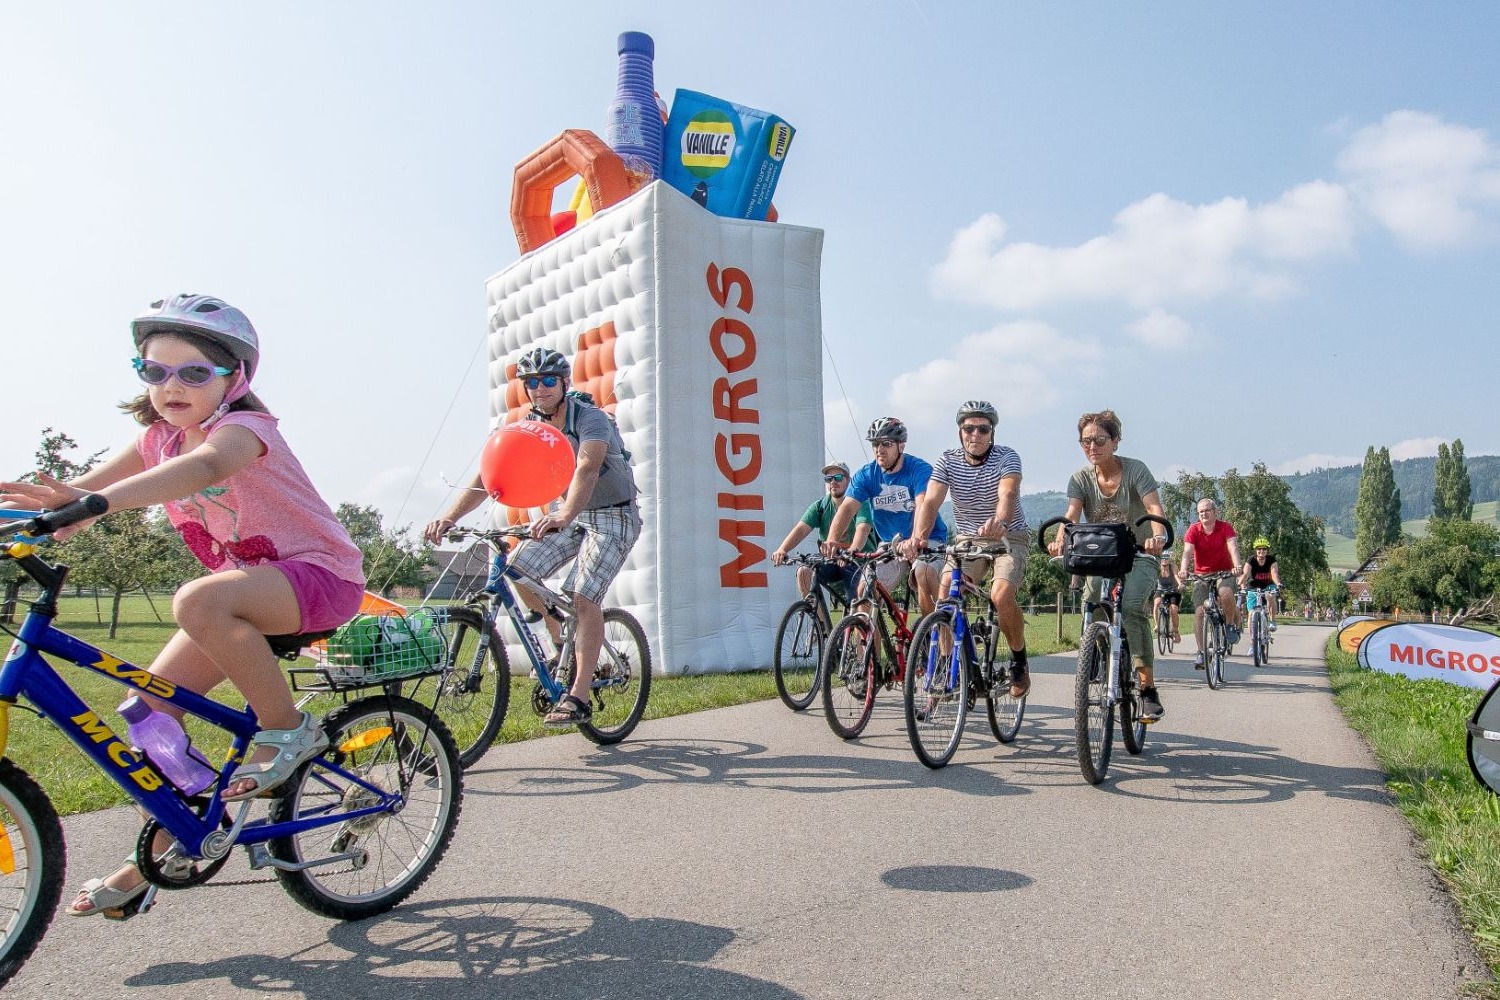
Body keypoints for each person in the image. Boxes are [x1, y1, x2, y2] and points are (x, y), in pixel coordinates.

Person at [0, 293, 366, 918]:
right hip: (243, 594)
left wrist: (96, 506)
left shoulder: (245, 431)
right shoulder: (154, 440)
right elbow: (81, 490)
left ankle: (289, 730)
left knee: (196, 599)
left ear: (235, 378)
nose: (172, 385)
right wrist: (42, 511)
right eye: (155, 371)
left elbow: (205, 468)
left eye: (194, 372)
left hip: (320, 579)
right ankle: (171, 851)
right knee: (146, 707)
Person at [425, 346, 640, 728]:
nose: (539, 389)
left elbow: (587, 468)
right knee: (516, 566)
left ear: (563, 383)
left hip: (613, 515)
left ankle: (579, 695)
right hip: (571, 515)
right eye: (532, 383)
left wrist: (563, 514)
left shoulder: (591, 419)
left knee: (583, 595)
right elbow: (488, 478)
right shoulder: (528, 426)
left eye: (547, 381)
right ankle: (562, 642)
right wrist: (449, 517)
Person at [1047, 410, 1171, 720]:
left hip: (1140, 554)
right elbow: (1072, 514)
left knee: (1130, 607)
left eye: (1099, 440)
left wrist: (1157, 536)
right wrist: (1060, 539)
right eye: (1085, 441)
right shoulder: (1080, 478)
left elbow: (1154, 506)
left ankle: (1146, 689)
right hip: (1101, 556)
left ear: (1115, 441)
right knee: (1092, 602)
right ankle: (1096, 653)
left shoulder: (1135, 471)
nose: (1092, 446)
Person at [906, 401, 1033, 698]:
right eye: (968, 428)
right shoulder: (947, 460)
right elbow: (932, 501)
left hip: (1008, 536)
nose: (975, 434)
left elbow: (1009, 492)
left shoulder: (1007, 457)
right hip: (969, 539)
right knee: (947, 588)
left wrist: (1000, 520)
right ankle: (950, 662)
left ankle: (1018, 661)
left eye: (983, 429)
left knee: (1001, 595)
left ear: (992, 433)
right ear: (960, 431)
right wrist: (918, 537)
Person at [822, 417, 946, 617]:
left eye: (886, 444)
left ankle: (936, 637)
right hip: (891, 543)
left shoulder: (919, 469)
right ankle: (870, 648)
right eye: (875, 444)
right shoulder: (866, 474)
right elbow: (846, 509)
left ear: (901, 445)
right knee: (864, 592)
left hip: (927, 538)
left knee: (925, 574)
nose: (879, 449)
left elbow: (923, 504)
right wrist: (832, 539)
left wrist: (915, 540)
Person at [771, 461, 876, 604]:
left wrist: (852, 551)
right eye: (828, 479)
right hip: (832, 560)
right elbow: (801, 529)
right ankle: (820, 623)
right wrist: (782, 549)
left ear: (848, 480)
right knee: (804, 571)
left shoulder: (860, 502)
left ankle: (857, 622)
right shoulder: (820, 506)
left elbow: (862, 529)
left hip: (857, 560)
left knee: (858, 608)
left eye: (838, 478)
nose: (833, 482)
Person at [1179, 497, 1243, 669]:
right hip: (1202, 575)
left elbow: (1233, 548)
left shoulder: (1225, 527)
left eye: (1207, 510)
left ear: (1215, 512)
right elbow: (1186, 552)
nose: (1204, 514)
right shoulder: (1194, 530)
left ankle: (1229, 624)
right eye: (1200, 512)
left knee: (1225, 593)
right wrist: (1184, 570)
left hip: (1225, 571)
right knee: (1200, 611)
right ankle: (1201, 652)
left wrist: (1237, 566)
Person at [1239, 537, 1282, 630]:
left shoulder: (1271, 560)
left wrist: (1278, 584)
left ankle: (1272, 620)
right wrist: (1241, 585)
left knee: (1270, 596)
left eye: (1264, 549)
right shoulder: (1251, 560)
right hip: (1253, 587)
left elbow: (1274, 573)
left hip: (1268, 585)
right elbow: (1245, 574)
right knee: (1251, 614)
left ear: (1267, 550)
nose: (1261, 550)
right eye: (1259, 548)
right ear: (1256, 550)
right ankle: (1253, 642)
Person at [1154, 555, 1183, 643]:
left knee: (1173, 609)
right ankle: (1157, 625)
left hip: (1174, 590)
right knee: (1157, 603)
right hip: (1161, 590)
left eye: (1166, 558)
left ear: (1169, 560)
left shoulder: (1172, 566)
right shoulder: (1157, 567)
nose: (1164, 560)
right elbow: (1152, 577)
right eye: (1162, 558)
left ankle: (1175, 631)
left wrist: (1180, 584)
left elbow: (1176, 576)